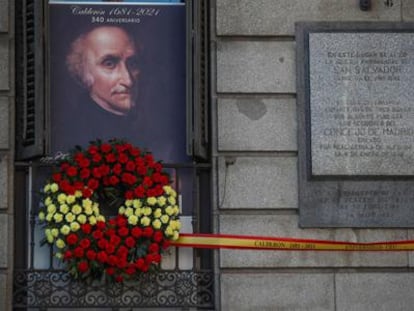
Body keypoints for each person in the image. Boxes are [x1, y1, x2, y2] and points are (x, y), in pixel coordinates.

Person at [51, 25, 142, 153]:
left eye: (132, 63)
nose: (128, 80)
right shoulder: (74, 131)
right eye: (109, 64)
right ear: (83, 72)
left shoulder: (141, 126)